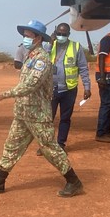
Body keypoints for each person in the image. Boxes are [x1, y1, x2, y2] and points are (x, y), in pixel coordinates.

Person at [0, 19, 84, 198]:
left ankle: (74, 181)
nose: (25, 39)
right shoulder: (30, 56)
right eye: (24, 36)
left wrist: (4, 95)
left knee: (50, 147)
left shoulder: (42, 60)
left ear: (37, 39)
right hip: (23, 113)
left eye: (28, 36)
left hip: (37, 114)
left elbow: (30, 85)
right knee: (12, 145)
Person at [45, 22, 91, 151]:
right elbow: (42, 60)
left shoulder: (76, 47)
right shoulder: (49, 46)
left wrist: (87, 87)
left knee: (65, 118)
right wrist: (49, 43)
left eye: (63, 34)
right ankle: (46, 145)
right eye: (58, 33)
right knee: (48, 119)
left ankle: (60, 144)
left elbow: (83, 68)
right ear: (55, 33)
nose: (60, 36)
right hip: (51, 89)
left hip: (69, 90)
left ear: (68, 34)